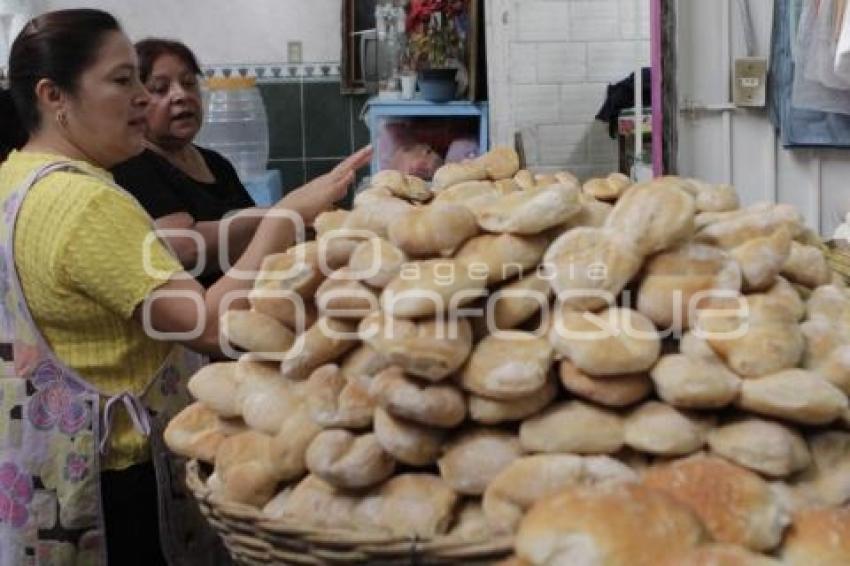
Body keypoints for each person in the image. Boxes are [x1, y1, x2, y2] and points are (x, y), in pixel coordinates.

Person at [0, 8, 370, 566]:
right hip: (115, 481)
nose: (144, 99)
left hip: (43, 464)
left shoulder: (19, 177)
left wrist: (275, 217)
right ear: (55, 95)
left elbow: (147, 256)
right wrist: (282, 219)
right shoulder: (86, 203)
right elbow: (211, 326)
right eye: (124, 82)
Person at [111, 39, 259, 287]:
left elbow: (256, 237)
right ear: (135, 101)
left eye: (189, 84)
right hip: (196, 313)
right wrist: (282, 215)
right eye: (160, 89)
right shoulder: (132, 165)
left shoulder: (216, 163)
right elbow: (185, 249)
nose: (181, 96)